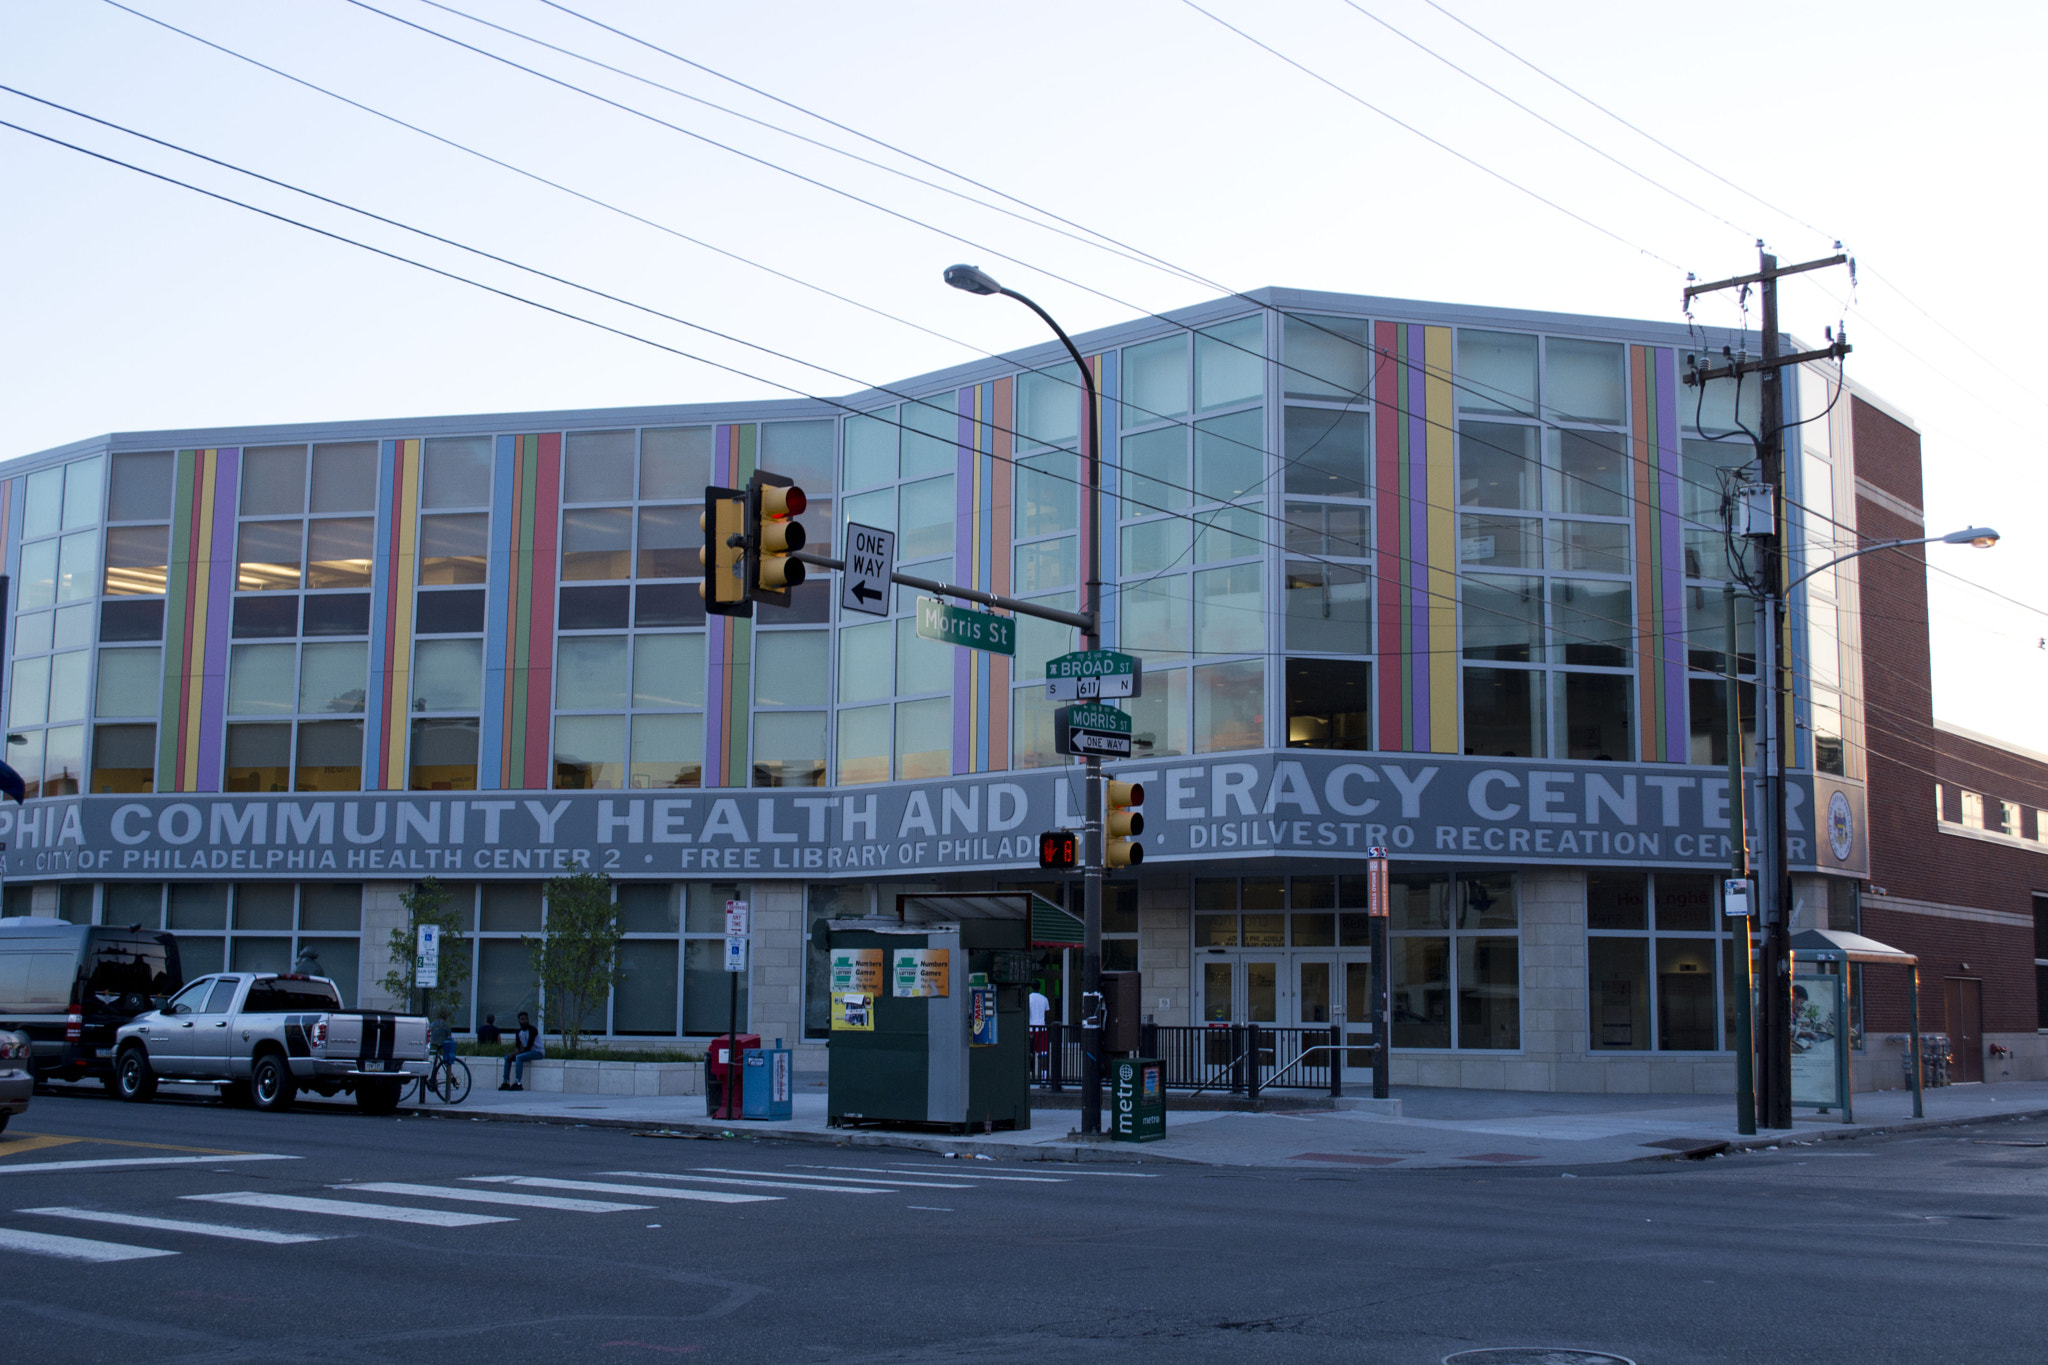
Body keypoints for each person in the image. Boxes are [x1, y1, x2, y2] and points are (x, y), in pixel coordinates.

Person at [500, 1011, 543, 1090]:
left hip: (537, 1052)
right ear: (519, 1020)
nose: (524, 1021)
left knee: (518, 1057)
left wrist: (514, 1054)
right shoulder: (519, 1032)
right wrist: (513, 1054)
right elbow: (517, 1046)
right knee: (507, 1057)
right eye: (522, 1019)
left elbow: (528, 1047)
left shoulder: (532, 1030)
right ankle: (505, 1082)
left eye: (526, 1019)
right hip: (527, 1052)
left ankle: (518, 1083)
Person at [1028, 988, 1050, 1081]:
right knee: (1043, 1053)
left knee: (1030, 1053)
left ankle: (1030, 1074)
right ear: (1039, 987)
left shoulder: (1028, 998)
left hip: (1031, 1029)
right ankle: (1044, 1076)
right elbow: (1047, 1012)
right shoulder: (1044, 999)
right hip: (1042, 1028)